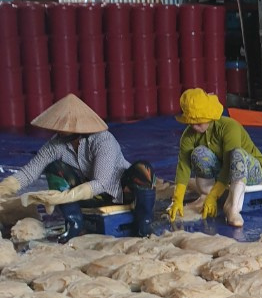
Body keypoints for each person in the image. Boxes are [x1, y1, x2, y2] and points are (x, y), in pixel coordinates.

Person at [0, 93, 155, 240]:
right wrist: (5, 187)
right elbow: (30, 171)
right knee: (55, 168)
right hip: (90, 197)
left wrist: (65, 196)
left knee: (143, 169)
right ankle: (74, 224)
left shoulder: (103, 141)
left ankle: (144, 227)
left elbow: (102, 182)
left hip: (120, 192)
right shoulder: (56, 144)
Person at [168, 88, 262, 229]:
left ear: (209, 117)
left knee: (236, 154)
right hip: (223, 168)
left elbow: (229, 163)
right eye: (190, 122)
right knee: (198, 153)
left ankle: (233, 208)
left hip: (249, 169)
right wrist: (177, 199)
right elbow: (183, 165)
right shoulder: (188, 135)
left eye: (199, 122)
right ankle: (205, 194)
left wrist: (214, 196)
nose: (194, 127)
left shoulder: (228, 127)